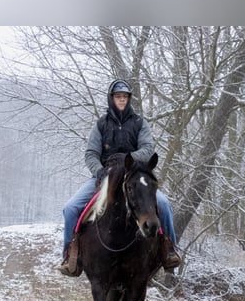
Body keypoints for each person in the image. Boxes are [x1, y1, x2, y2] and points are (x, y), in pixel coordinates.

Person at [59, 79, 181, 276]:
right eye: (118, 97)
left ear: (129, 99)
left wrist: (128, 160)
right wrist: (99, 171)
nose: (122, 100)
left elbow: (148, 148)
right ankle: (70, 255)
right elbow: (90, 153)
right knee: (71, 208)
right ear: (112, 98)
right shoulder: (101, 124)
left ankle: (169, 249)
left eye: (125, 97)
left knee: (164, 204)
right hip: (105, 177)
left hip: (134, 175)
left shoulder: (140, 123)